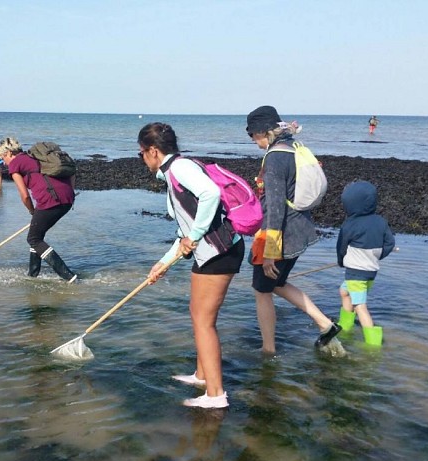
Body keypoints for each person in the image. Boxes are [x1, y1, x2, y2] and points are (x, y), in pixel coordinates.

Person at [138, 122, 245, 409]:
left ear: (154, 151)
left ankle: (215, 394)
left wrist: (195, 237)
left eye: (142, 154)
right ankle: (202, 375)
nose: (142, 160)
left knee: (203, 320)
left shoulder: (180, 168)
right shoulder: (175, 172)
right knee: (198, 315)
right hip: (212, 252)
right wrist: (162, 264)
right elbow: (183, 234)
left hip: (219, 251)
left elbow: (211, 195)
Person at [246, 105, 341, 353]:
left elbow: (276, 206)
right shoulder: (294, 148)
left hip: (280, 235)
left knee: (261, 290)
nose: (252, 139)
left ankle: (268, 349)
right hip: (300, 228)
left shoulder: (275, 157)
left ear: (264, 132)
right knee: (276, 283)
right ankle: (325, 325)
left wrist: (269, 252)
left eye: (252, 134)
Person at [0, 136, 77, 282]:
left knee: (33, 239)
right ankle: (33, 274)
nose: (4, 162)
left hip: (50, 200)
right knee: (37, 236)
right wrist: (70, 191)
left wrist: (32, 211)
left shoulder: (15, 164)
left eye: (3, 157)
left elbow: (25, 196)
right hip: (67, 199)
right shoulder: (35, 156)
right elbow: (72, 171)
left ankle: (69, 277)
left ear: (9, 153)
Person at [336, 180, 395, 346]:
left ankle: (373, 343)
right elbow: (389, 244)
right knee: (344, 291)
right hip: (370, 272)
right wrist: (376, 257)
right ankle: (345, 326)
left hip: (355, 272)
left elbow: (341, 247)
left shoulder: (349, 224)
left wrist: (341, 261)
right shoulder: (380, 221)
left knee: (360, 306)